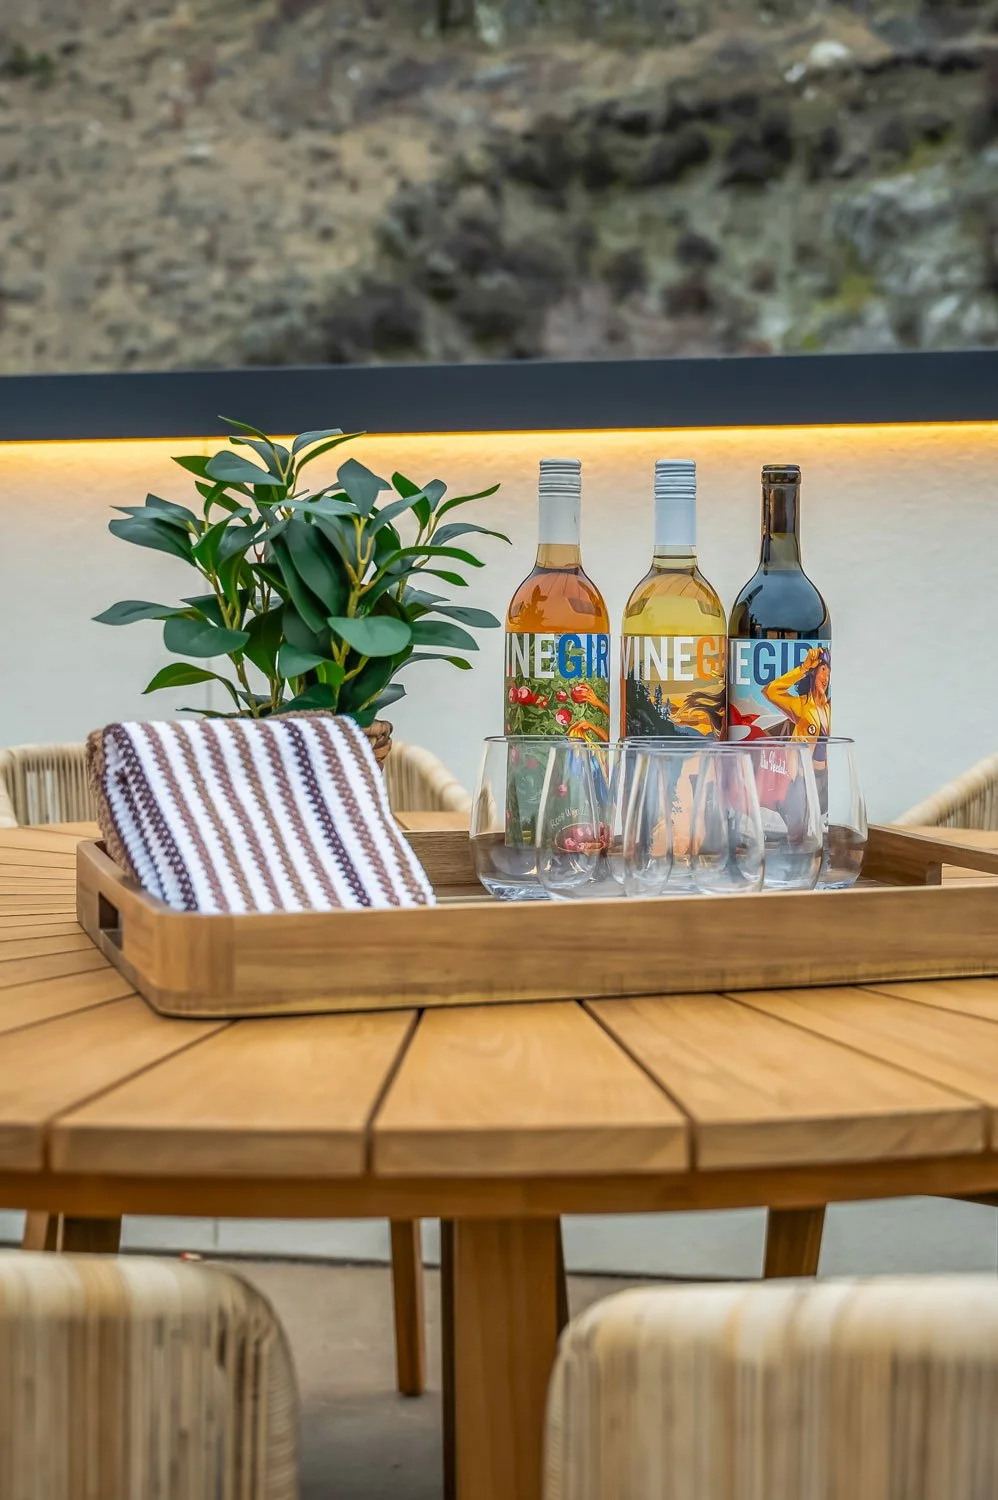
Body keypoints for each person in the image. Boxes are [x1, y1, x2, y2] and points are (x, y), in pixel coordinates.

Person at [762, 646, 830, 741]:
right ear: (813, 672)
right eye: (823, 669)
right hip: (801, 751)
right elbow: (770, 691)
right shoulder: (802, 705)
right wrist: (803, 668)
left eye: (828, 673)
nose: (826, 678)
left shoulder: (829, 707)